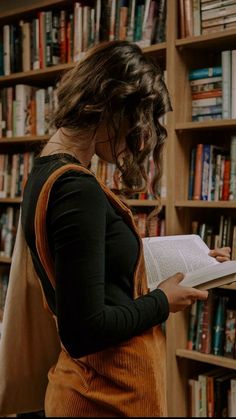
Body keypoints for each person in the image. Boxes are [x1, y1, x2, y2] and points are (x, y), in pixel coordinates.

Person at [21, 40, 231, 417]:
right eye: (139, 119)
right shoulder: (75, 188)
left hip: (98, 392)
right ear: (112, 106)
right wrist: (163, 302)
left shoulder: (46, 172)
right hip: (102, 398)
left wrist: (196, 265)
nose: (140, 137)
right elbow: (84, 329)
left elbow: (96, 271)